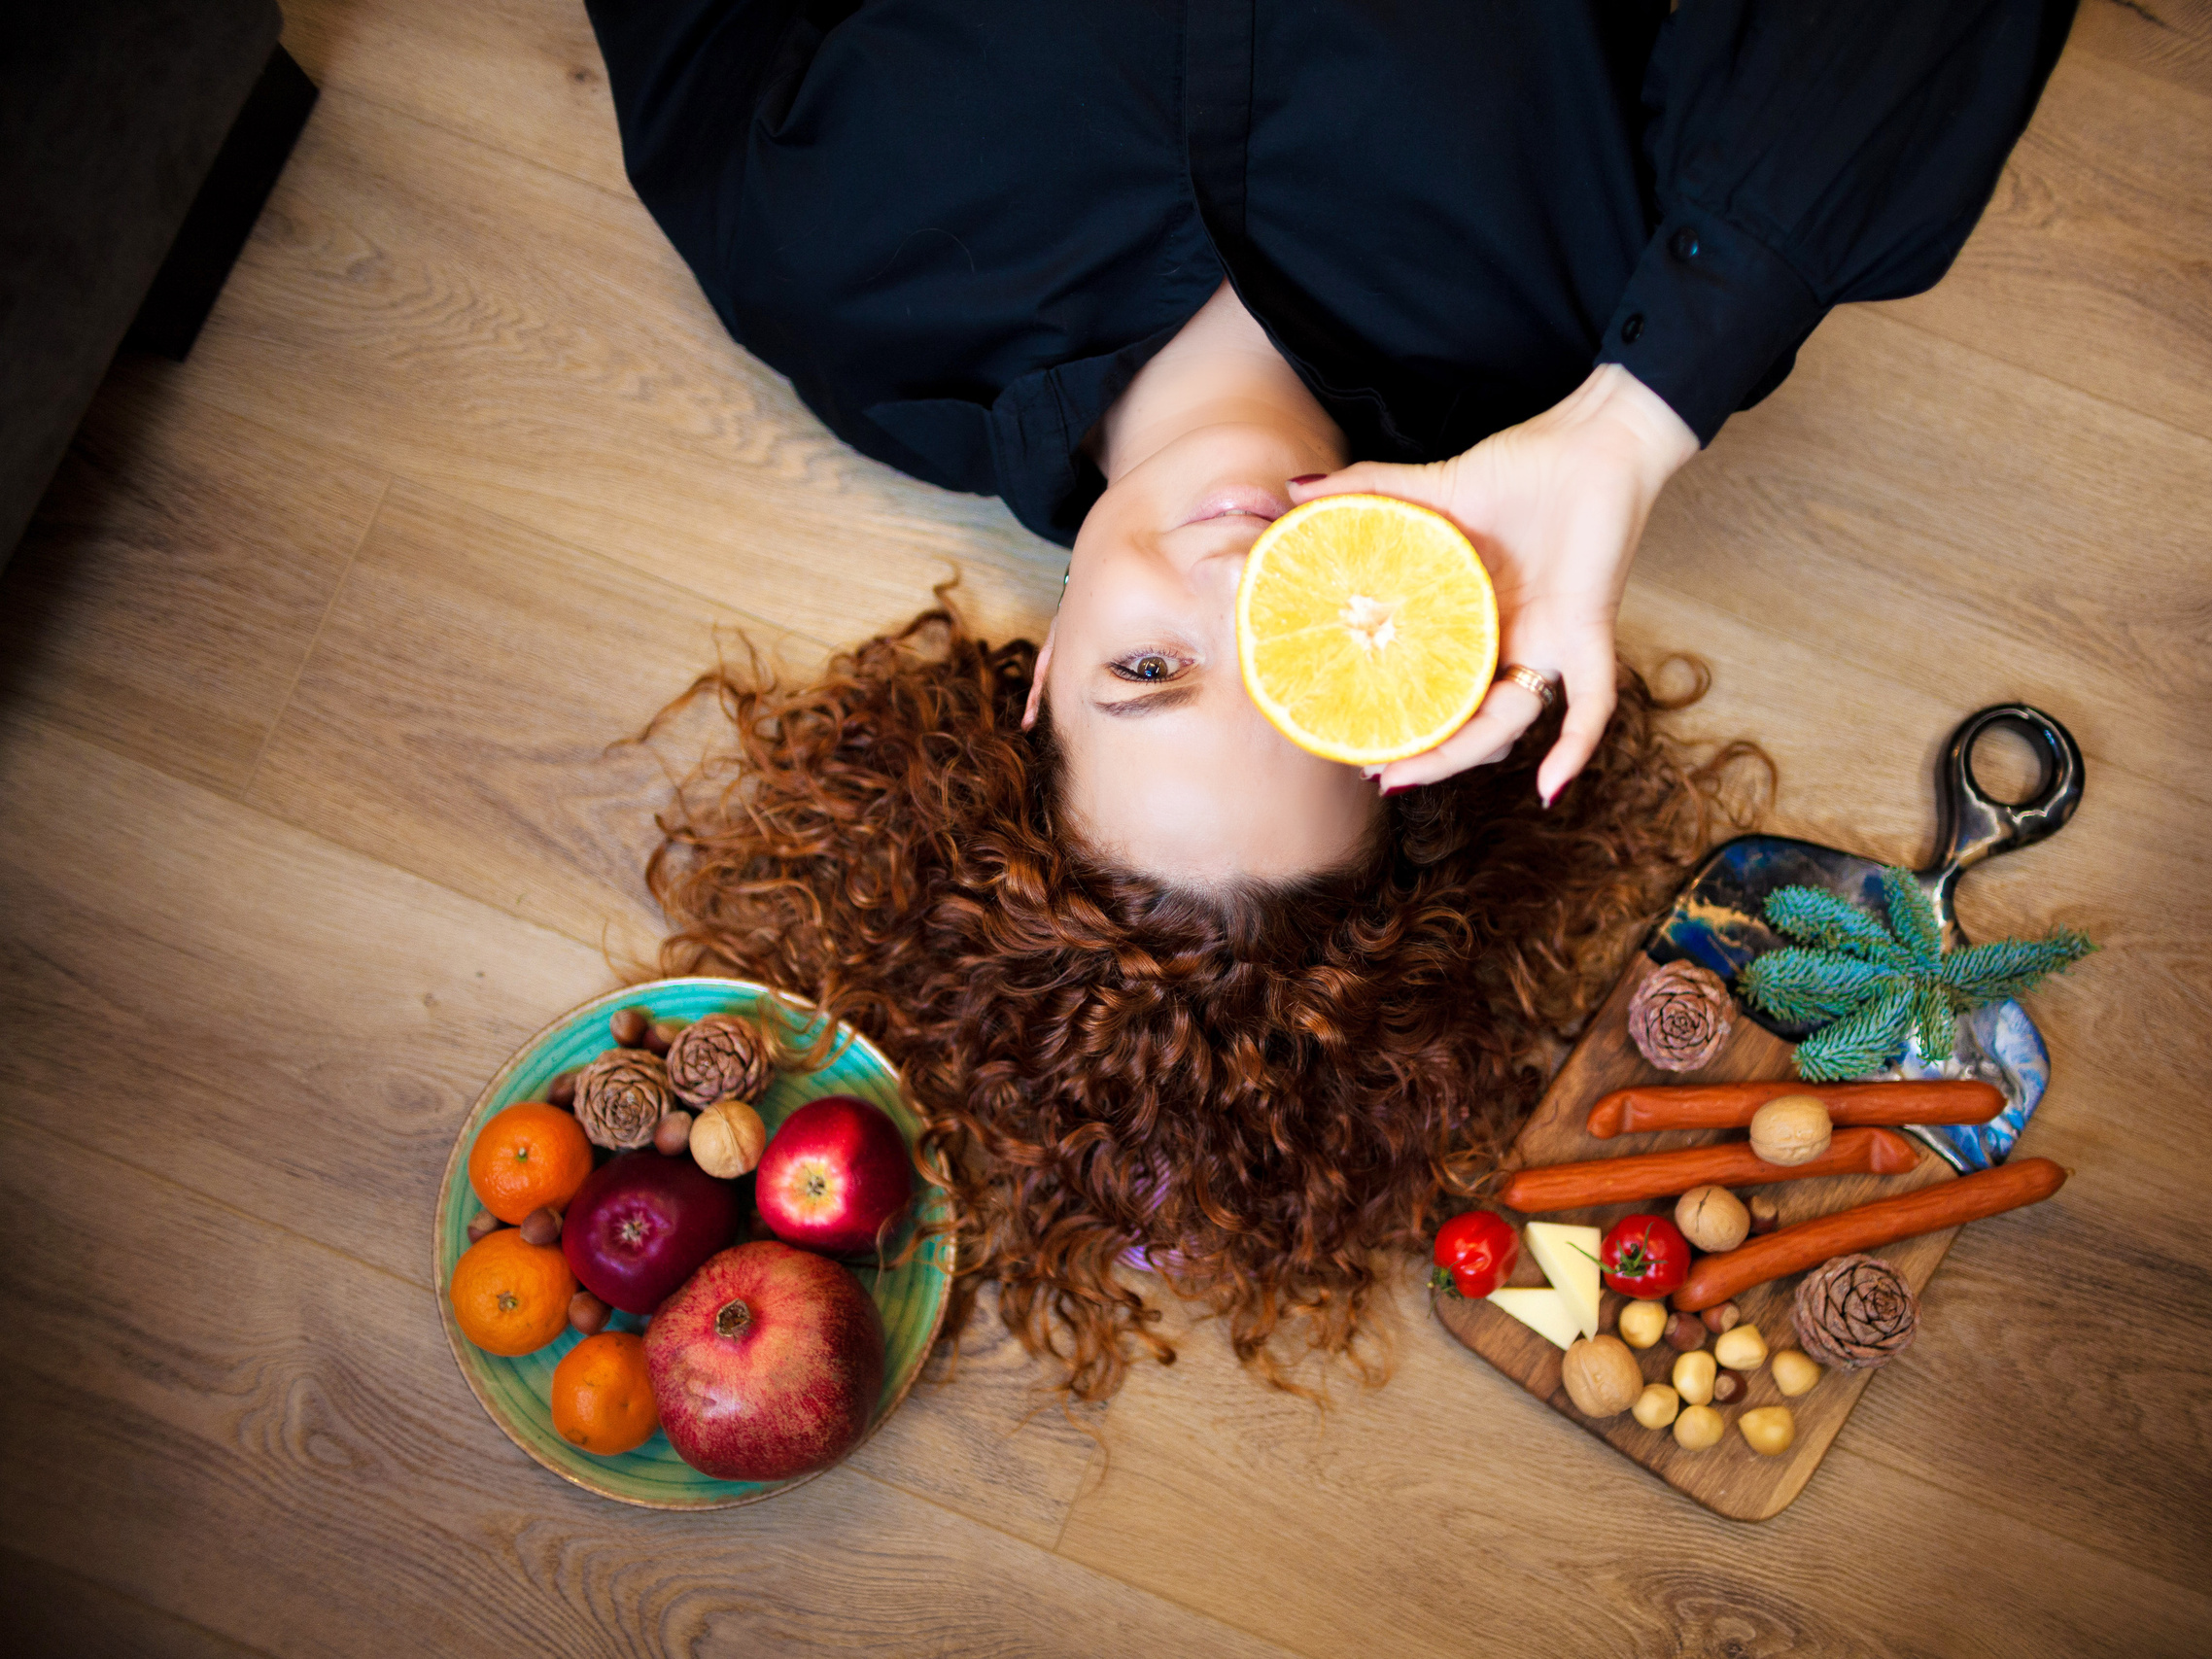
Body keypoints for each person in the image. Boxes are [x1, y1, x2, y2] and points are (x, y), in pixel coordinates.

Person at [603, 0, 2075, 1396]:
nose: (1235, 586)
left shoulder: (827, 283)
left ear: (1038, 677)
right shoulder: (1610, 338)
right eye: (1292, 689)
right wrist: (1638, 421)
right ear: (1417, 711)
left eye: (1149, 673)